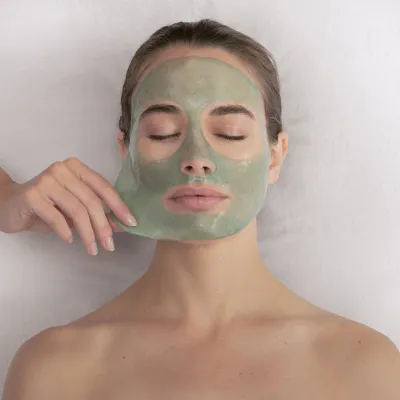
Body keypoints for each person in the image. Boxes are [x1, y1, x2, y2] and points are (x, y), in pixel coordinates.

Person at [1, 19, 399, 400]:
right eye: (163, 133)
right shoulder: (55, 368)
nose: (196, 159)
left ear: (276, 156)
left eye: (230, 133)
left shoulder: (364, 366)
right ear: (127, 152)